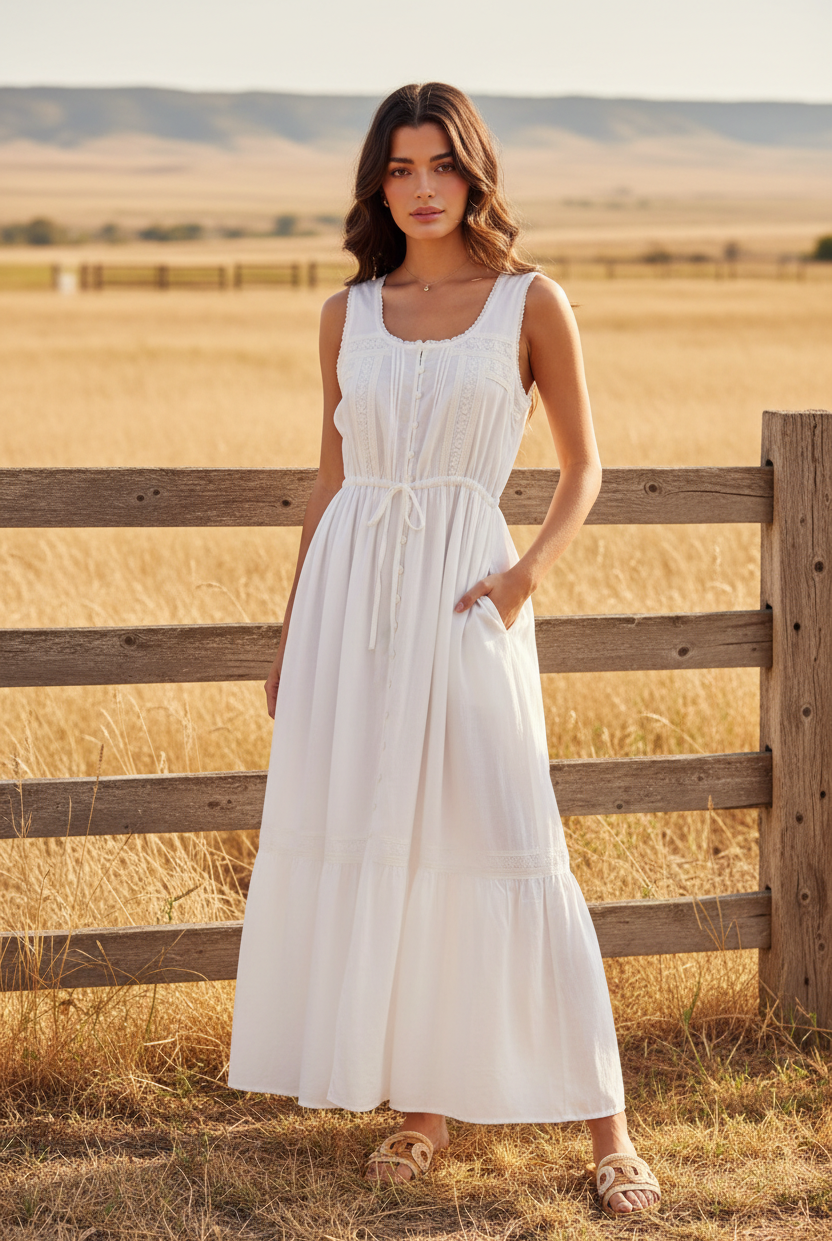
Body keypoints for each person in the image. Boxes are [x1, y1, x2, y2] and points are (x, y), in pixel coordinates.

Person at [227, 81, 661, 1220]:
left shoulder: (530, 300)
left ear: (474, 174)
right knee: (387, 834)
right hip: (349, 604)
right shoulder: (347, 312)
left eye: (441, 167)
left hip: (469, 592)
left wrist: (525, 577)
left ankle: (609, 1127)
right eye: (399, 169)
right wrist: (291, 634)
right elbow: (329, 480)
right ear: (378, 183)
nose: (421, 189)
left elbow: (582, 466)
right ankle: (422, 1108)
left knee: (509, 833)